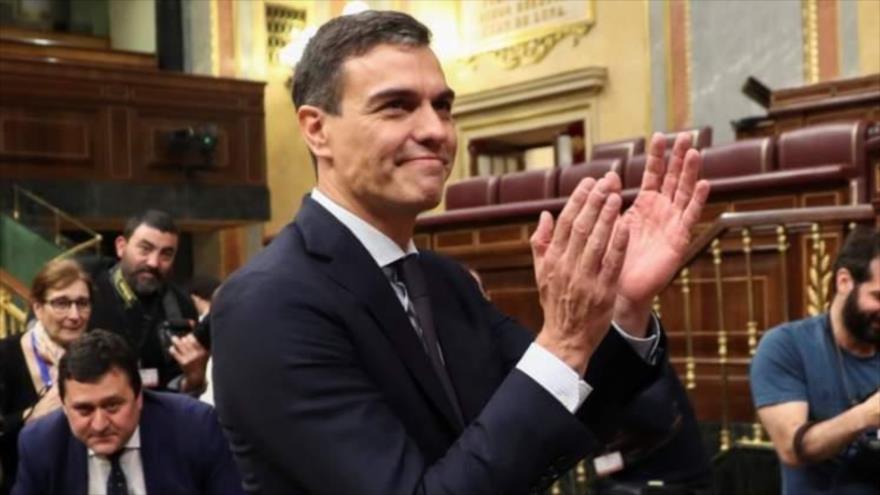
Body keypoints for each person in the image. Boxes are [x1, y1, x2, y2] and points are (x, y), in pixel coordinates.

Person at [211, 10, 709, 494]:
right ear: (317, 129)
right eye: (397, 106)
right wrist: (566, 339)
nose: (436, 130)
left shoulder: (441, 280)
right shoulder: (269, 304)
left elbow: (584, 411)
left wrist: (622, 308)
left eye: (442, 106)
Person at [12, 329, 244, 495]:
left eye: (112, 406)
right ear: (63, 405)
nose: (100, 424)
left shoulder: (195, 427)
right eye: (84, 409)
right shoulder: (40, 444)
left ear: (139, 397)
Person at [751, 226, 880, 495]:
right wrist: (867, 415)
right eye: (878, 296)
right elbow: (792, 448)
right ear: (844, 281)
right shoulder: (786, 346)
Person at [86, 210, 208, 394]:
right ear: (121, 247)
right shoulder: (87, 292)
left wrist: (195, 376)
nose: (153, 262)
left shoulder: (180, 306)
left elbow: (180, 388)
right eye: (145, 249)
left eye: (166, 254)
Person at [0, 259, 93, 495]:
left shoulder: (102, 354)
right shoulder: (5, 355)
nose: (75, 315)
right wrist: (30, 417)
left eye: (82, 303)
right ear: (38, 307)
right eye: (61, 303)